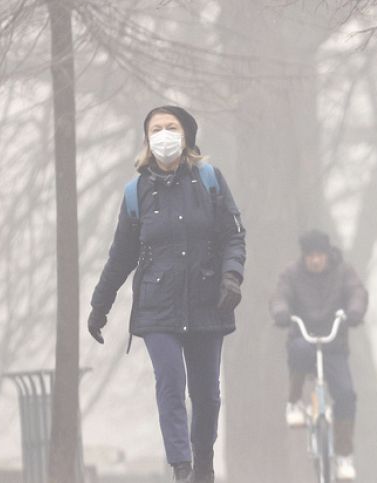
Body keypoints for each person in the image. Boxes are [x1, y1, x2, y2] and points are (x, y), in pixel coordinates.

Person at [87, 105, 246, 483]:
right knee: (170, 382)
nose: (163, 134)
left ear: (186, 134)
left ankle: (203, 462)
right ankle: (182, 468)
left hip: (209, 302)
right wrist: (99, 305)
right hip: (158, 308)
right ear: (146, 139)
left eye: (170, 127)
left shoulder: (210, 180)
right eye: (155, 129)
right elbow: (121, 255)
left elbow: (233, 235)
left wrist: (232, 277)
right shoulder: (136, 192)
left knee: (206, 395)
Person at [269, 230, 368, 480]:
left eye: (319, 255)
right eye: (310, 256)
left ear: (327, 255)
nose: (315, 260)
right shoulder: (292, 274)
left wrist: (355, 311)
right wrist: (281, 311)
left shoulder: (343, 272)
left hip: (334, 344)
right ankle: (294, 401)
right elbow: (280, 295)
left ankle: (344, 455)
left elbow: (357, 292)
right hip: (304, 338)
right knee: (299, 350)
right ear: (304, 257)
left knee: (346, 394)